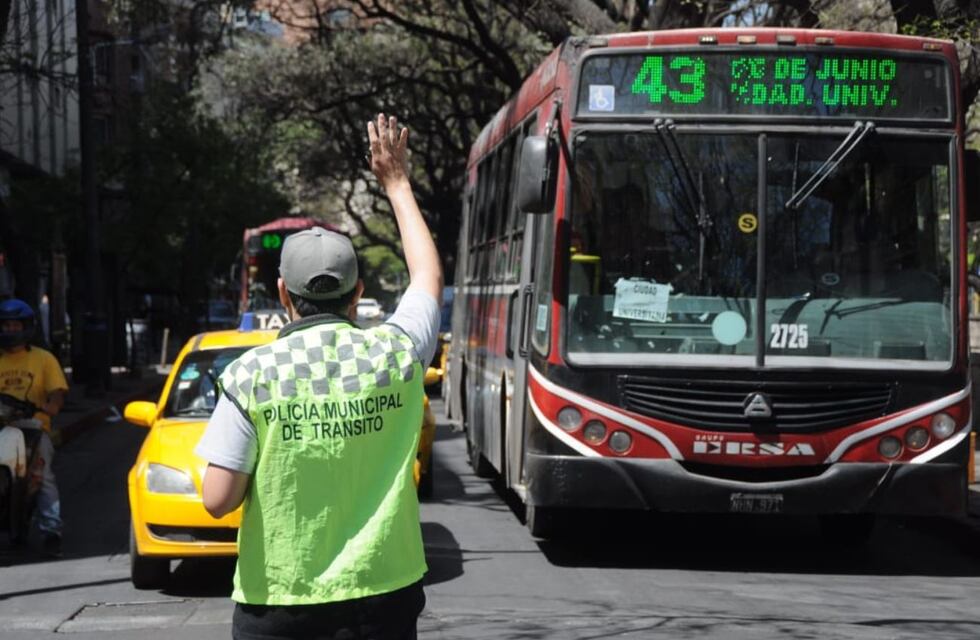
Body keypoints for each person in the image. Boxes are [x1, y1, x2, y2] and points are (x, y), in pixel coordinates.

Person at [196, 113, 442, 640]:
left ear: (283, 294)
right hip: (385, 597)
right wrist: (396, 183)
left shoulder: (251, 376)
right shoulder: (396, 354)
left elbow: (217, 499)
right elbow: (427, 276)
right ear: (356, 295)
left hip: (282, 603)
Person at [0, 298, 69, 556]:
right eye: (6, 325)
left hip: (33, 428)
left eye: (15, 325)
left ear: (26, 327)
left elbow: (57, 394)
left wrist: (50, 406)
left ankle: (52, 530)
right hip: (1, 426)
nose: (10, 330)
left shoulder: (43, 359)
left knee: (43, 475)